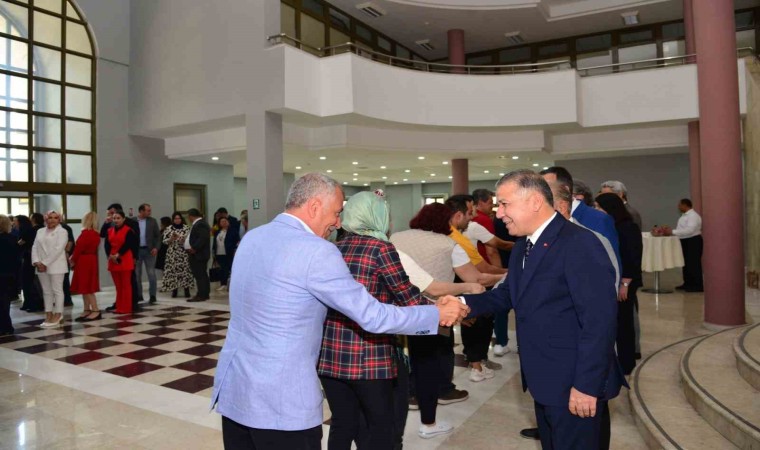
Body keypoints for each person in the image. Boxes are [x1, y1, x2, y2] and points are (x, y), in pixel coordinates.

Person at [211, 173, 469, 450]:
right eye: (336, 213)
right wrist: (436, 314)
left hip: (235, 391)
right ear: (314, 207)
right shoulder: (316, 250)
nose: (338, 223)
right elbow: (372, 315)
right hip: (282, 404)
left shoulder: (253, 237)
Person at [455, 170, 626, 450]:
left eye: (505, 204)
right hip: (546, 379)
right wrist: (461, 305)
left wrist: (586, 386)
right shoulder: (525, 244)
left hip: (574, 382)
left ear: (535, 201)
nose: (499, 213)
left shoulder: (579, 243)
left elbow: (599, 323)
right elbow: (509, 294)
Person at [317, 191, 433, 449]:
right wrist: (441, 311)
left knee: (342, 423)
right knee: (381, 426)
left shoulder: (332, 248)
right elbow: (408, 296)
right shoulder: (380, 248)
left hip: (330, 355)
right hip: (369, 357)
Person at [596, 193, 642, 375]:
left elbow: (632, 256)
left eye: (599, 207)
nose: (596, 211)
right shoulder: (612, 225)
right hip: (617, 281)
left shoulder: (628, 227)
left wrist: (625, 283)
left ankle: (626, 362)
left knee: (624, 322)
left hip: (625, 283)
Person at [31, 210, 70, 328]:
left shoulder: (62, 232)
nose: (52, 220)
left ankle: (58, 314)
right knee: (46, 291)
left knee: (57, 290)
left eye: (55, 218)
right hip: (40, 266)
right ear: (45, 219)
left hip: (56, 265)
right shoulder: (40, 231)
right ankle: (48, 314)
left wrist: (44, 263)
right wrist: (36, 261)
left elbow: (58, 249)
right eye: (50, 217)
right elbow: (35, 247)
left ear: (59, 220)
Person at [656, 198, 703, 292]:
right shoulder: (684, 216)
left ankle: (697, 286)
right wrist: (670, 232)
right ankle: (687, 283)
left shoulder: (693, 216)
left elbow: (690, 230)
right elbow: (682, 230)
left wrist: (672, 232)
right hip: (685, 241)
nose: (678, 207)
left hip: (693, 241)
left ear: (685, 205)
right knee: (686, 264)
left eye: (680, 205)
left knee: (693, 264)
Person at [100, 203, 140, 312]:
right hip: (113, 259)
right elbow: (106, 243)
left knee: (126, 284)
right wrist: (111, 255)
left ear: (123, 218)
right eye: (114, 218)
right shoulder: (110, 230)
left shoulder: (129, 229)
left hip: (125, 258)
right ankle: (119, 305)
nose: (116, 220)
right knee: (118, 285)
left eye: (118, 218)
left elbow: (130, 244)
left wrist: (119, 254)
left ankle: (127, 306)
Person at [70, 212, 102, 322]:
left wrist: (72, 260)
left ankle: (95, 310)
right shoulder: (95, 234)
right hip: (90, 259)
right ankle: (87, 309)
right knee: (85, 287)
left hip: (84, 261)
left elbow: (79, 248)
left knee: (87, 287)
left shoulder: (86, 234)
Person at [161, 212, 194, 298]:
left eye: (179, 218)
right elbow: (164, 241)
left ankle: (186, 289)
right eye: (175, 219)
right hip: (173, 253)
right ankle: (174, 290)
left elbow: (191, 239)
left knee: (185, 271)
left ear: (181, 219)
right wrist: (171, 238)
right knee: (173, 271)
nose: (177, 220)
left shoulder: (186, 228)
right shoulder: (169, 228)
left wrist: (183, 240)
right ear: (173, 220)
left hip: (184, 253)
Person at [16, 215, 43, 313]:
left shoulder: (29, 231)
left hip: (29, 258)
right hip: (40, 258)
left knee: (28, 282)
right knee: (37, 282)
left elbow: (20, 243)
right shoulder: (43, 230)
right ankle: (37, 303)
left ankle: (31, 303)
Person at [135, 203, 161, 304]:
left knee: (151, 273)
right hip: (137, 251)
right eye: (148, 210)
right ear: (141, 211)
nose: (150, 212)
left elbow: (158, 236)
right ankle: (139, 295)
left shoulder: (152, 221)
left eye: (150, 210)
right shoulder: (133, 221)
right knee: (137, 274)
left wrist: (156, 248)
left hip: (149, 251)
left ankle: (153, 295)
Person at [1, 215, 21, 335]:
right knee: (5, 302)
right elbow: (17, 258)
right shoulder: (13, 239)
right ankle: (7, 326)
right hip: (9, 274)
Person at [185, 208, 211, 302]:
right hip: (198, 253)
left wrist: (195, 248)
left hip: (199, 254)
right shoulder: (199, 223)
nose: (188, 218)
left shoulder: (200, 224)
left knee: (200, 275)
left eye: (188, 216)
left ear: (191, 216)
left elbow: (202, 238)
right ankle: (204, 293)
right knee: (202, 274)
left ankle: (201, 294)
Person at [213, 216, 234, 291]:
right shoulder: (218, 232)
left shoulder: (232, 231)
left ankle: (228, 284)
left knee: (227, 268)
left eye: (225, 221)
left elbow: (235, 241)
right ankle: (222, 284)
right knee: (222, 269)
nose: (224, 223)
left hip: (228, 253)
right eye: (222, 221)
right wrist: (213, 252)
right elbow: (214, 243)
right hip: (219, 252)